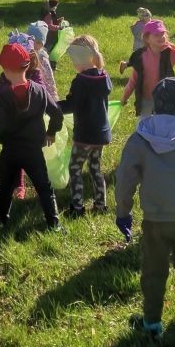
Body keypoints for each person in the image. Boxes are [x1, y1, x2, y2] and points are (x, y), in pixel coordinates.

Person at [114, 77, 175, 337]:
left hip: (155, 219)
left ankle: (152, 323)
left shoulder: (140, 139)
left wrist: (123, 211)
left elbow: (125, 177)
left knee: (154, 270)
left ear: (156, 109)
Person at [0, 42, 63, 230]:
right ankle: (54, 223)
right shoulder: (40, 90)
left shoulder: (3, 93)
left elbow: (0, 125)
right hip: (33, 151)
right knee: (44, 187)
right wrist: (51, 131)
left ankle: (0, 219)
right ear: (27, 66)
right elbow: (56, 113)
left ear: (6, 69)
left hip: (11, 151)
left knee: (5, 187)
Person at [58, 35, 112, 216]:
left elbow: (70, 106)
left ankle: (77, 208)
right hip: (101, 134)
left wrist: (51, 105)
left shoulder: (80, 81)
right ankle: (100, 205)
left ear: (79, 59)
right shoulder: (104, 76)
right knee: (95, 168)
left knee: (75, 168)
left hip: (85, 136)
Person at [0, 30, 46, 200]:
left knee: (32, 156)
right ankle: (19, 185)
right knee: (14, 155)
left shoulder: (35, 74)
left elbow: (41, 93)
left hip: (30, 123)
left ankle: (41, 184)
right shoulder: (5, 76)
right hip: (11, 122)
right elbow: (0, 94)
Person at [121, 19, 175, 119]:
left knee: (163, 124)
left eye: (163, 34)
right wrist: (124, 98)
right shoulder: (141, 56)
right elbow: (133, 81)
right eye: (156, 35)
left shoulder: (169, 54)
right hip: (146, 99)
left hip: (165, 99)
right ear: (147, 38)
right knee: (144, 125)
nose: (161, 37)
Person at [26, 21, 58, 101]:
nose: (34, 44)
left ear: (43, 44)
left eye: (38, 42)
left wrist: (53, 96)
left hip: (41, 92)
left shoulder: (42, 58)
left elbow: (49, 78)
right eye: (31, 41)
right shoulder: (24, 54)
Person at [119, 7, 153, 75]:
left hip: (146, 47)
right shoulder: (140, 25)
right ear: (142, 18)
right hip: (140, 47)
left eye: (149, 16)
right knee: (139, 61)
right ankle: (127, 66)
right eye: (146, 16)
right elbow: (140, 36)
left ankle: (126, 65)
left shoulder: (148, 24)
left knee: (145, 60)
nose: (149, 18)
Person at [41, 0, 64, 64]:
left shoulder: (49, 13)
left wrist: (58, 21)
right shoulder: (49, 14)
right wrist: (59, 27)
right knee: (47, 49)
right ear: (53, 6)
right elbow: (49, 26)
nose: (56, 8)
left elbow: (51, 22)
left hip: (50, 34)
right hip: (48, 35)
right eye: (56, 6)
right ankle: (45, 63)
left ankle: (49, 62)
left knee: (49, 48)